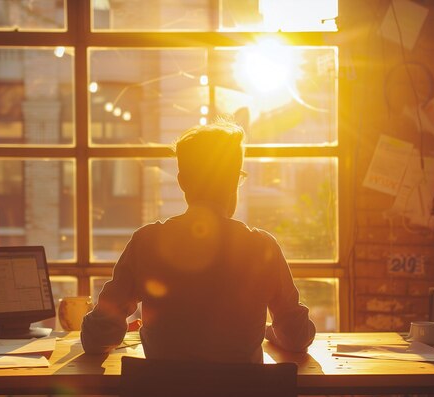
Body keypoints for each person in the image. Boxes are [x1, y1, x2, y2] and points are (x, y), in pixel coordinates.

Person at [81, 119, 316, 363]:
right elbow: (297, 337)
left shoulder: (147, 243)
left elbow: (98, 338)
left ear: (183, 182)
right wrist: (270, 332)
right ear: (235, 180)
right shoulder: (261, 247)